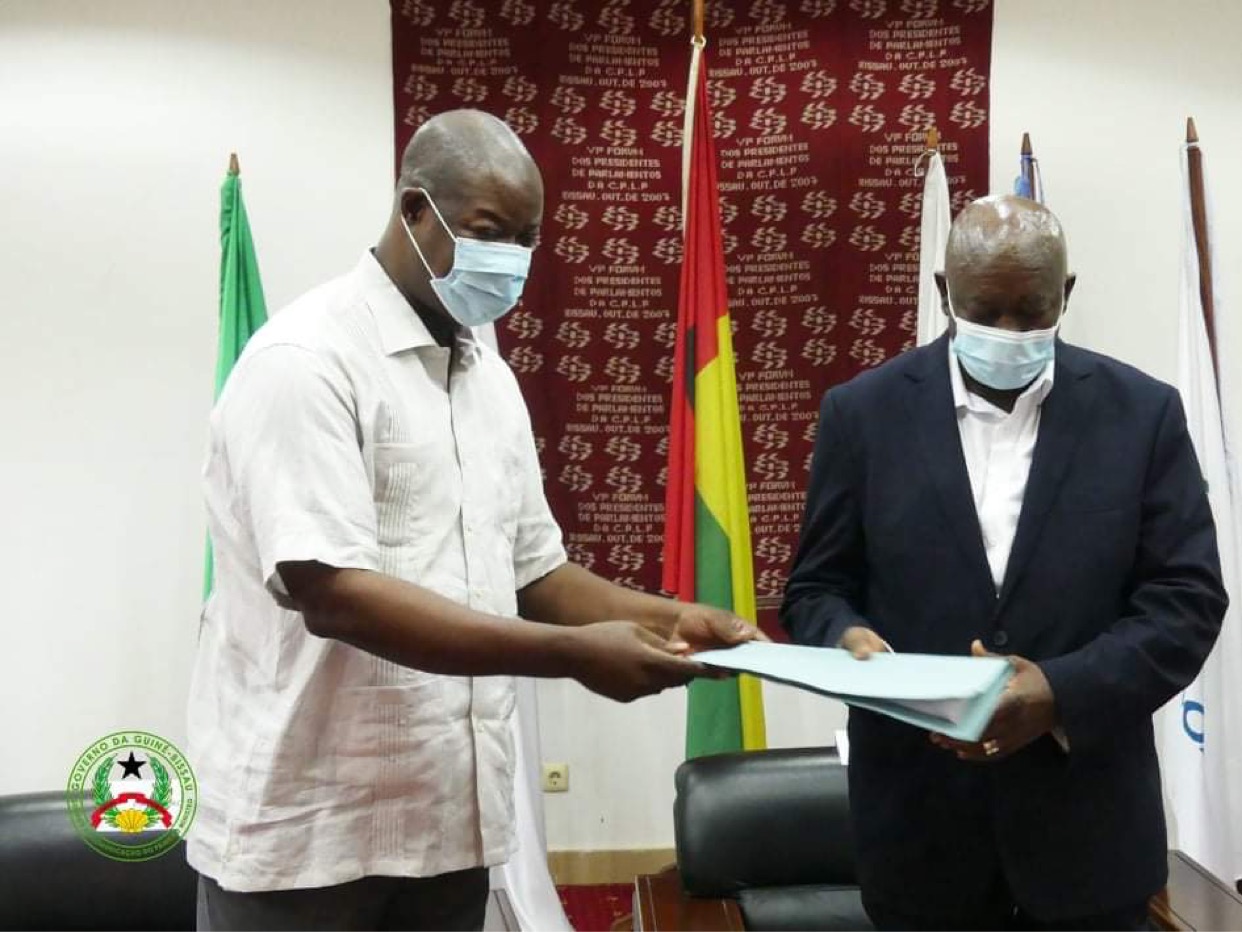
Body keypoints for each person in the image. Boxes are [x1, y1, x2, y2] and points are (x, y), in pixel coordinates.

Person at [188, 109, 757, 931]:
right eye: (490, 232)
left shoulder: (488, 379)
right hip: (309, 834)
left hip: (447, 826)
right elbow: (333, 594)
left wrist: (672, 620)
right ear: (414, 210)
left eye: (527, 239)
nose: (511, 260)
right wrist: (573, 657)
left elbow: (535, 574)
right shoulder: (305, 362)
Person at [781, 194, 1226, 931]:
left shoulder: (1143, 415)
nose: (1010, 332)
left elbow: (1187, 601)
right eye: (986, 311)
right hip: (921, 839)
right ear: (943, 292)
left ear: (1066, 293)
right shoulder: (862, 415)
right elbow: (815, 589)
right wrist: (848, 640)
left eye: (1032, 310)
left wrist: (1058, 692)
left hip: (1091, 841)